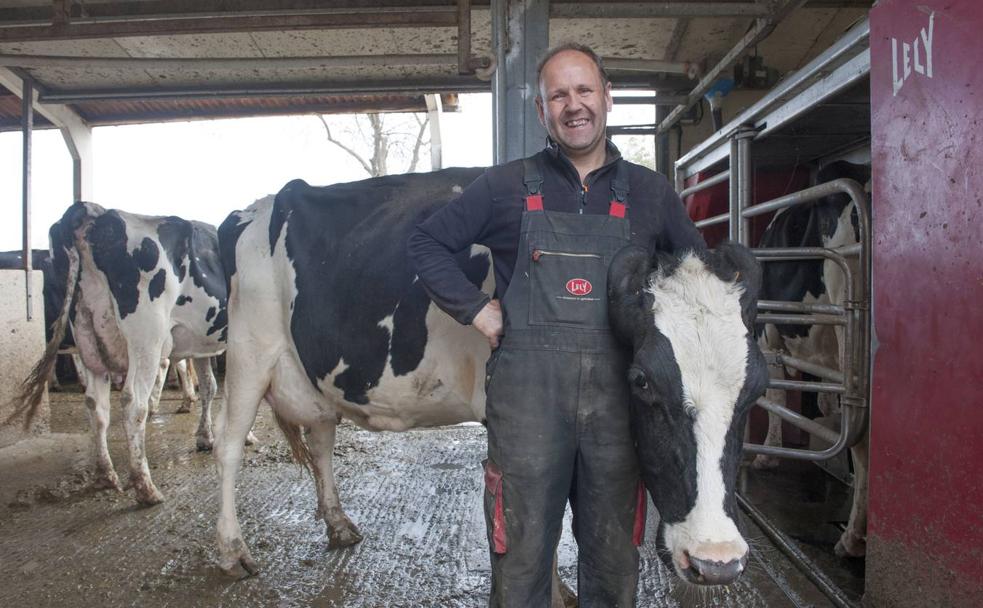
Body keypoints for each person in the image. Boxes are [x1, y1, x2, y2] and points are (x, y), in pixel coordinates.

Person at [407, 43, 705, 607]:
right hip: (527, 414)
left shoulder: (651, 195)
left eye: (584, 90)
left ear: (607, 97)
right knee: (520, 567)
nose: (574, 105)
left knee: (615, 568)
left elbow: (696, 280)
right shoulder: (504, 187)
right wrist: (476, 309)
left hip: (620, 413)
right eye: (558, 95)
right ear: (542, 111)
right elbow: (426, 242)